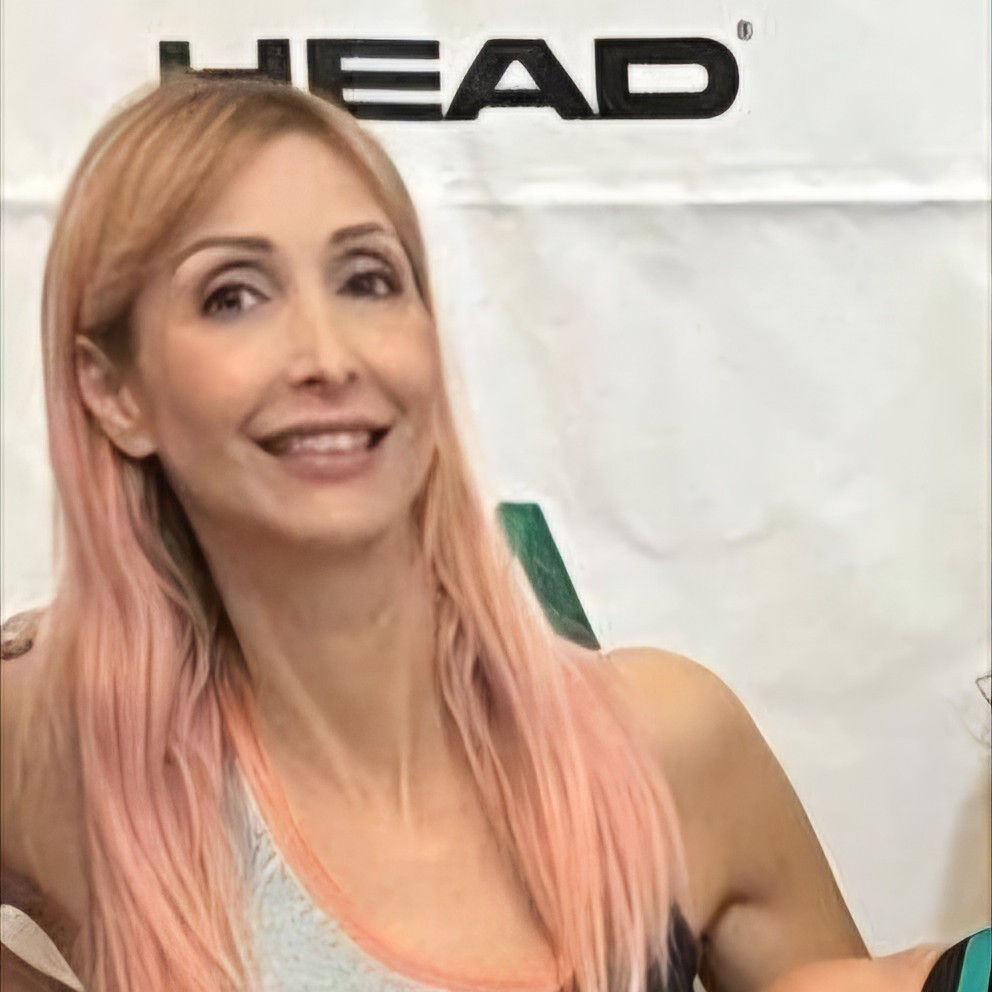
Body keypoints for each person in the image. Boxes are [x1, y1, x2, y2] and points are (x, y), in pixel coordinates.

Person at [0, 76, 871, 992]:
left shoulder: (672, 751)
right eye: (233, 297)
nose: (329, 357)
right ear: (114, 392)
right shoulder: (63, 755)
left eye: (367, 281)